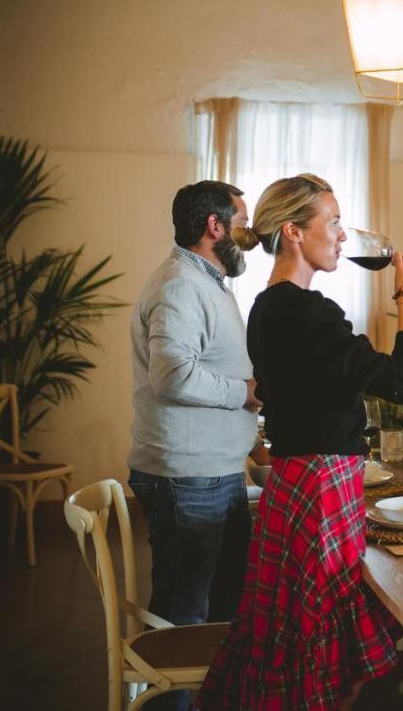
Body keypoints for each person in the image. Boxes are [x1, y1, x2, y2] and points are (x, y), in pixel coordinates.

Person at [197, 174, 403, 710]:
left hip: (299, 481)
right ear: (295, 232)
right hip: (322, 487)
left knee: (296, 629)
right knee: (316, 628)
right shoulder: (307, 312)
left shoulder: (268, 307)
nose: (344, 236)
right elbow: (400, 383)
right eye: (334, 222)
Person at [127, 180, 262, 710]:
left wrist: (248, 441)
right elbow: (173, 376)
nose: (248, 236)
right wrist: (246, 396)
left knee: (222, 610)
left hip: (212, 471)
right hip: (187, 478)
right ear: (215, 226)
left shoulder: (209, 282)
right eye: (243, 223)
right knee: (184, 621)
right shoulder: (180, 285)